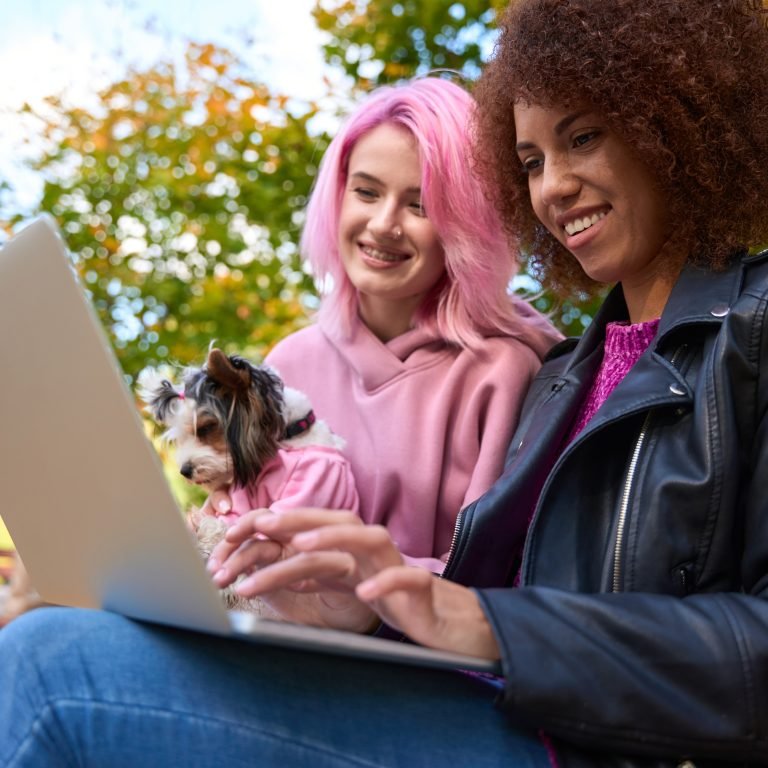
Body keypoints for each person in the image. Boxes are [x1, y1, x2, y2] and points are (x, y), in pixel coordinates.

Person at [3, 0, 768, 766]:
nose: (554, 188)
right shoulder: (570, 376)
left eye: (585, 138)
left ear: (677, 125)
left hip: (566, 739)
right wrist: (353, 608)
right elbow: (500, 585)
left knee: (50, 667)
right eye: (530, 163)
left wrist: (474, 619)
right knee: (61, 639)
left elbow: (496, 611)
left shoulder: (709, 339)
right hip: (486, 708)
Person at [236, 77, 559, 572]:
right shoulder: (288, 363)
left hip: (410, 648)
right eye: (366, 192)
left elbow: (495, 579)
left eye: (420, 205)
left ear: (467, 225)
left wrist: (361, 584)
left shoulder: (507, 370)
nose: (384, 224)